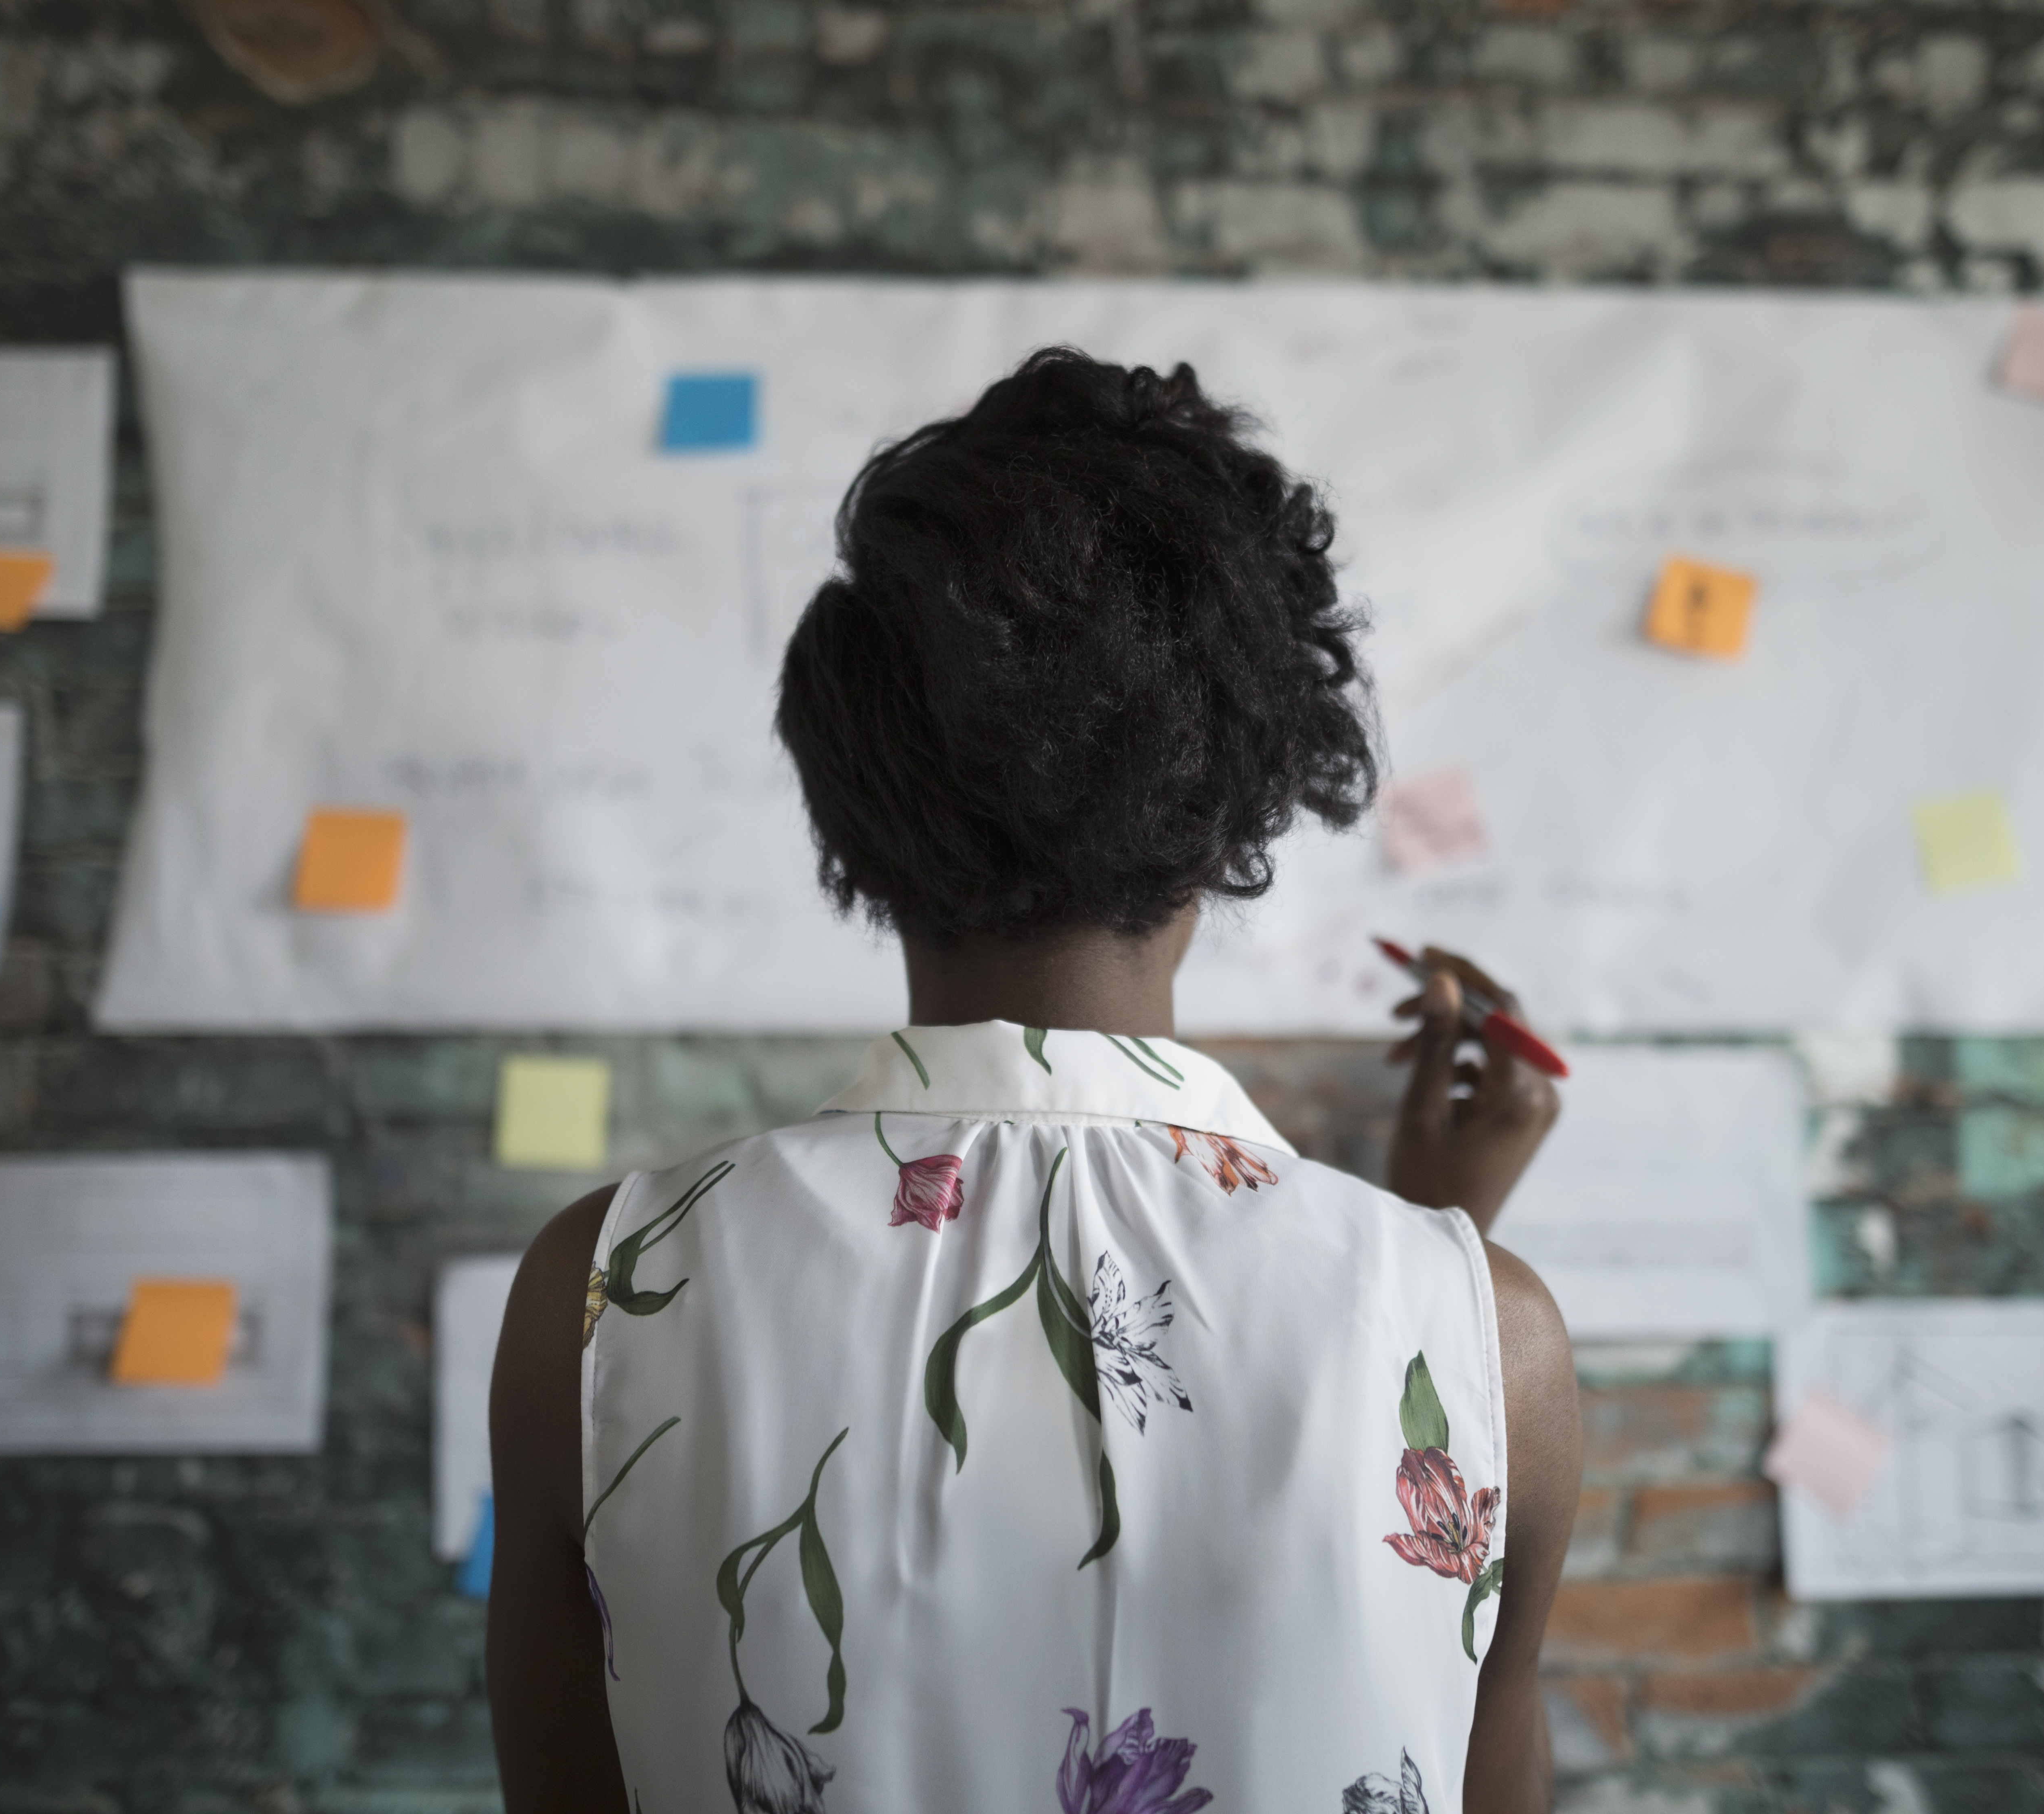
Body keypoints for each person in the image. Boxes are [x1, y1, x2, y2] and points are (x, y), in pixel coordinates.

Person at [486, 349, 1578, 1812]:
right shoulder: (1490, 1341)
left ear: (856, 802)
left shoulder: (598, 1297)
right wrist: (1428, 1253)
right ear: (1237, 800)